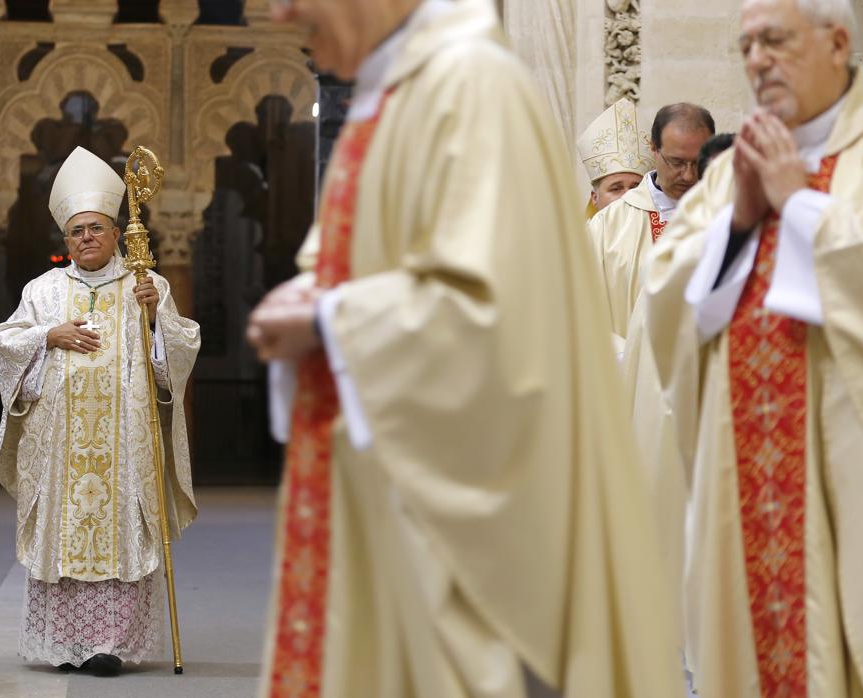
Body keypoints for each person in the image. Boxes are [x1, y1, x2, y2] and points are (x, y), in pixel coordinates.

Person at [247, 0, 681, 696]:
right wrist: (311, 303)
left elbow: (496, 312)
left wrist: (332, 321)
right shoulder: (394, 94)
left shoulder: (470, 87)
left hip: (463, 507)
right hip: (386, 479)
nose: (278, 14)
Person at [641, 0, 863, 695]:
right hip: (753, 472)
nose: (756, 59)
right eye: (746, 45)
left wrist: (802, 201)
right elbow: (666, 299)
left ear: (838, 41)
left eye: (775, 40)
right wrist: (741, 219)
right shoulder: (731, 172)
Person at [0, 146, 201, 677]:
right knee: (62, 532)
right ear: (66, 238)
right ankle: (63, 645)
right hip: (60, 447)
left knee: (123, 532)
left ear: (115, 233)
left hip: (125, 445)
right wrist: (48, 335)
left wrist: (155, 320)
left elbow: (176, 353)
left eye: (97, 228)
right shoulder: (42, 291)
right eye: (77, 230)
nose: (87, 237)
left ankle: (110, 646)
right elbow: (7, 342)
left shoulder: (146, 286)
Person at [587, 103, 715, 349]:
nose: (688, 175)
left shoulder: (727, 216)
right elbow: (581, 310)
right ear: (654, 150)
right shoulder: (605, 228)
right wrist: (629, 358)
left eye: (697, 163)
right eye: (676, 162)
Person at [577, 97, 655, 218]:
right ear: (595, 198)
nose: (628, 197)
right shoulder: (583, 237)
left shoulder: (665, 236)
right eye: (616, 189)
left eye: (637, 188)